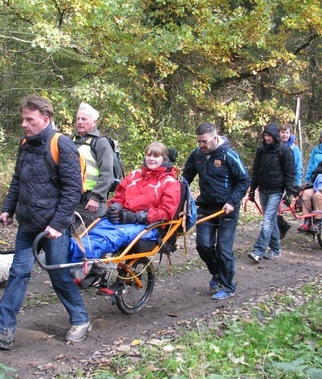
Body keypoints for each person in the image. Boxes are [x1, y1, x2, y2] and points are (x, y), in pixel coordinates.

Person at [0, 95, 90, 349]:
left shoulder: (63, 145)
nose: (24, 124)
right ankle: (2, 329)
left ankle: (80, 319)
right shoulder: (25, 144)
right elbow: (18, 180)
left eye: (29, 119)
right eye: (23, 119)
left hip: (53, 228)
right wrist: (7, 209)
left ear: (45, 119)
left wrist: (58, 225)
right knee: (18, 273)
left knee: (58, 275)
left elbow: (73, 191)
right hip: (28, 224)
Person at [71, 142, 181, 285]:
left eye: (156, 156)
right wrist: (115, 207)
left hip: (149, 225)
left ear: (164, 159)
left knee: (112, 236)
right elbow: (120, 197)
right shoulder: (134, 175)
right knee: (96, 229)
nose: (151, 159)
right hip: (125, 219)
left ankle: (79, 255)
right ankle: (72, 251)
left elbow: (166, 211)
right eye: (149, 155)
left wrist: (137, 217)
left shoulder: (169, 182)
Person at [182, 123, 250, 300]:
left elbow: (244, 181)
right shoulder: (197, 155)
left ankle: (228, 287)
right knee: (203, 245)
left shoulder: (228, 155)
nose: (201, 145)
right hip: (206, 208)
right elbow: (185, 179)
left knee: (223, 249)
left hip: (227, 209)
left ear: (214, 137)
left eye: (204, 142)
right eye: (199, 142)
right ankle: (218, 273)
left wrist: (232, 202)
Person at [247, 123, 295, 262]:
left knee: (267, 220)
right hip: (263, 190)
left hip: (277, 191)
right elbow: (256, 171)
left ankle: (258, 251)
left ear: (274, 136)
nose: (267, 138)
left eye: (269, 135)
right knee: (271, 220)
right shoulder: (261, 151)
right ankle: (275, 249)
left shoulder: (285, 151)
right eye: (265, 135)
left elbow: (289, 172)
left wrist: (289, 192)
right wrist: (251, 190)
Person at [72, 103, 114, 225]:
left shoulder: (101, 143)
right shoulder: (72, 140)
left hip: (91, 200)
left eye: (84, 119)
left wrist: (97, 197)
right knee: (65, 235)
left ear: (94, 121)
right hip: (73, 197)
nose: (80, 122)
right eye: (78, 119)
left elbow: (107, 173)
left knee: (95, 237)